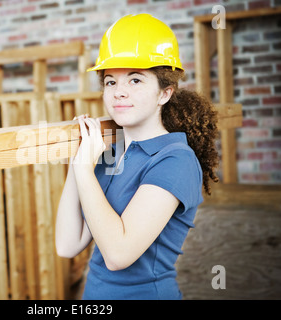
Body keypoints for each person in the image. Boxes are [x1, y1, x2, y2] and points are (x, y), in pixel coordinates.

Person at [55, 13, 219, 300]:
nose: (119, 93)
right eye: (110, 82)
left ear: (164, 93)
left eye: (135, 80)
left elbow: (118, 254)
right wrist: (78, 158)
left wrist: (83, 169)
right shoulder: (110, 153)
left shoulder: (176, 161)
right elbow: (67, 245)